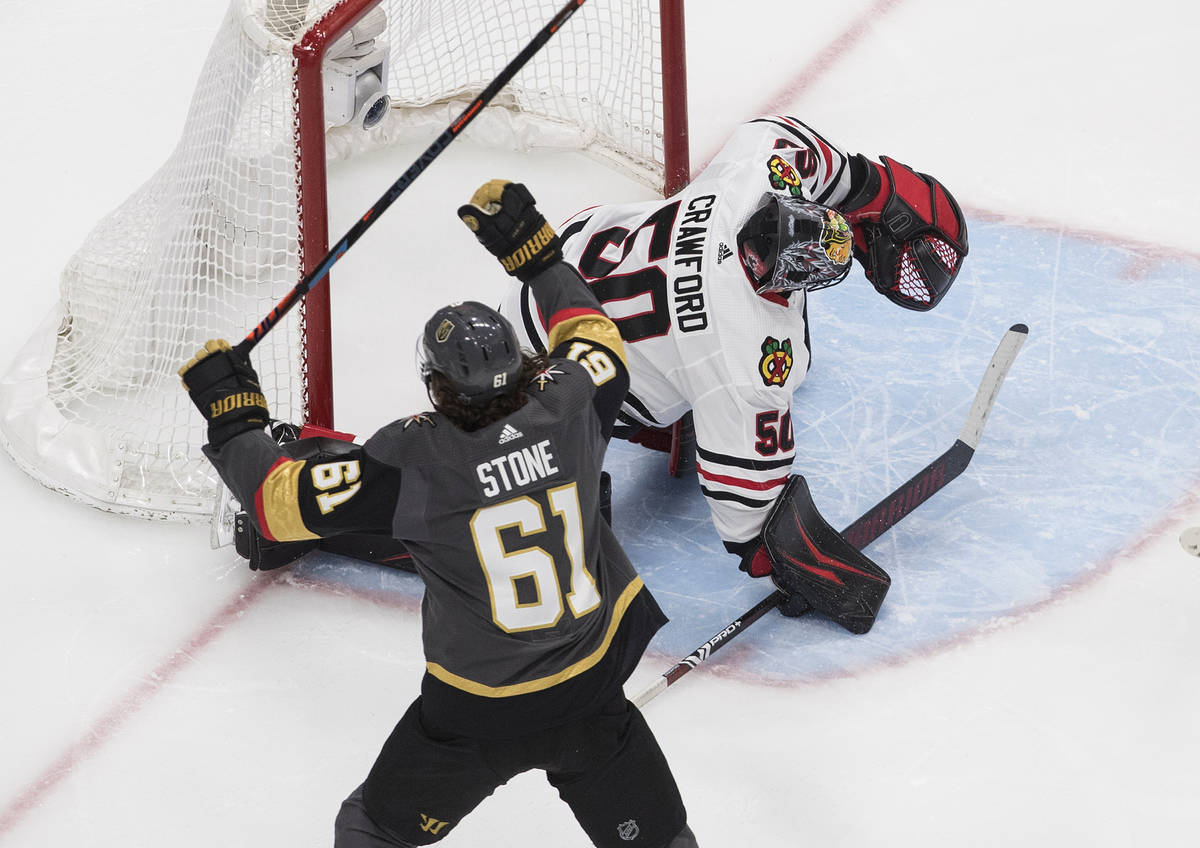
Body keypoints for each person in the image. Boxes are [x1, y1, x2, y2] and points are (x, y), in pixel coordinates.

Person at [179, 180, 699, 848]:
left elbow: (279, 507)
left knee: (370, 829)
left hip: (475, 713)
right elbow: (594, 338)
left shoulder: (413, 461)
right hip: (591, 694)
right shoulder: (573, 403)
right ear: (519, 365)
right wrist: (536, 258)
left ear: (435, 386)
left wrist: (235, 419)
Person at [499, 114, 968, 590]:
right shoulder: (744, 358)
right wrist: (820, 577)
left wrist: (873, 190)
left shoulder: (753, 173)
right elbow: (753, 530)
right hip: (548, 371)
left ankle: (677, 389)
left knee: (704, 359)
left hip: (563, 262)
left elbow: (789, 139)